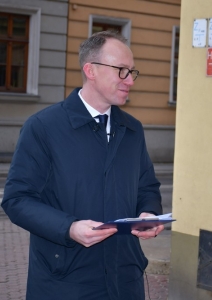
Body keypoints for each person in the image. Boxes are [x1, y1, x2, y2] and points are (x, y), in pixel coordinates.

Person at [1, 31, 164, 300]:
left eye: (132, 72)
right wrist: (69, 228)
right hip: (66, 280)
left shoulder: (132, 130)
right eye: (121, 70)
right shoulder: (43, 127)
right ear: (91, 70)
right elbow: (17, 200)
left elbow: (147, 187)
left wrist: (148, 213)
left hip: (125, 279)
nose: (129, 81)